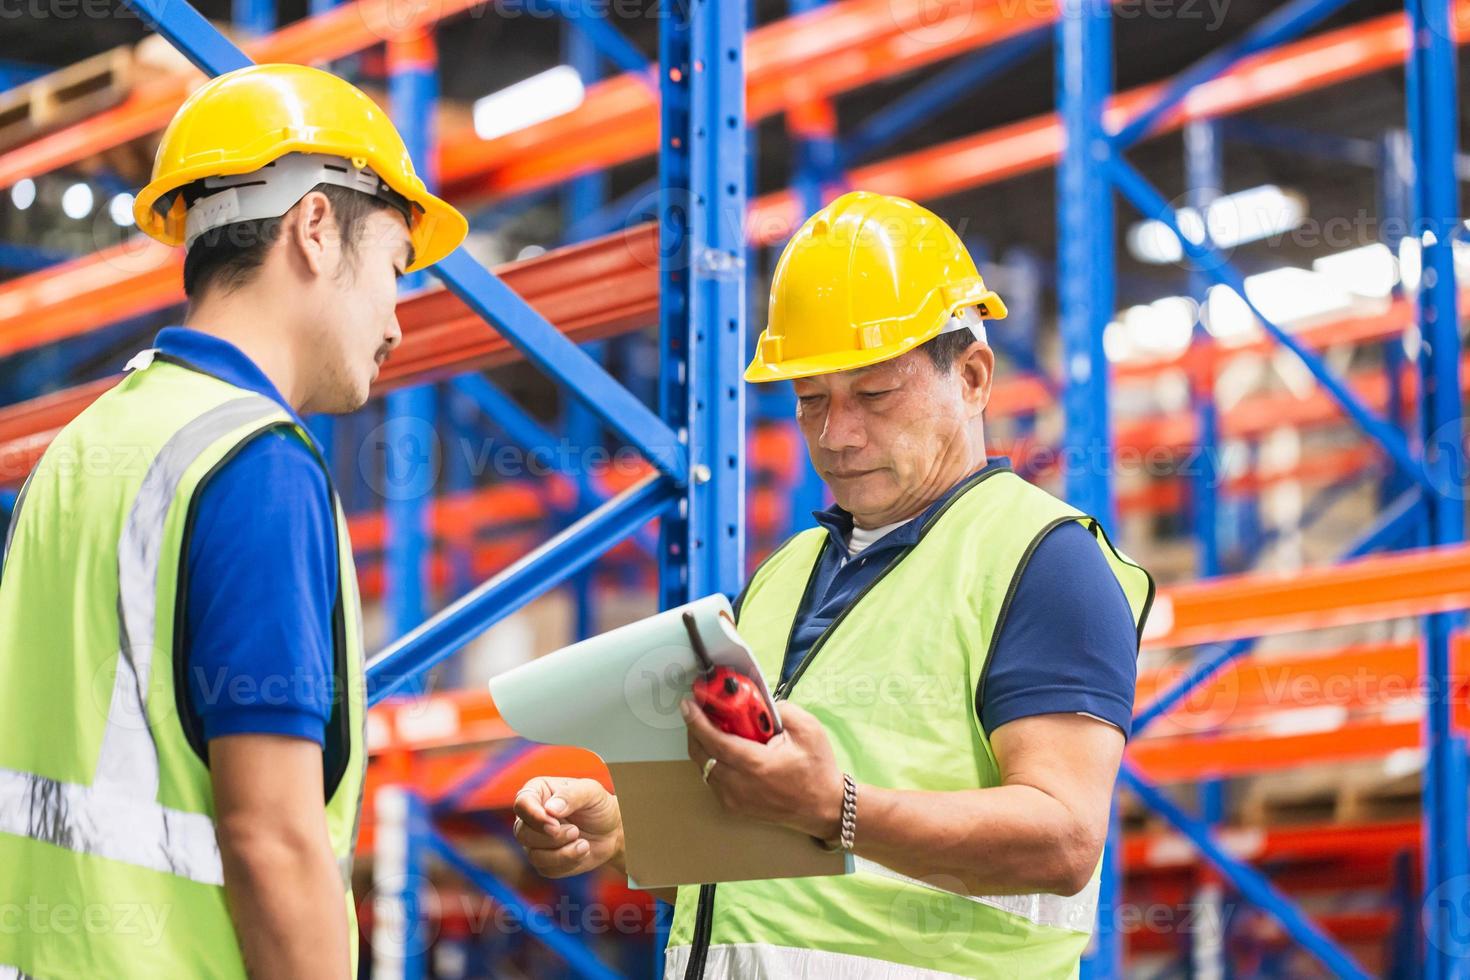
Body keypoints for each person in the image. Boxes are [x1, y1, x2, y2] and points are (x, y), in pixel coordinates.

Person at [513, 191, 1153, 978]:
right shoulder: (782, 579)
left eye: (875, 395)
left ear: (975, 377)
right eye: (811, 399)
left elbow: (1063, 839)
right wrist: (621, 834)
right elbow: (765, 871)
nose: (835, 435)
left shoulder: (1042, 562)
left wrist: (839, 809)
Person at [0, 64, 465, 979]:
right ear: (318, 230)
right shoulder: (254, 464)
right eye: (395, 271)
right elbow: (272, 838)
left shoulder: (78, 451)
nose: (398, 321)